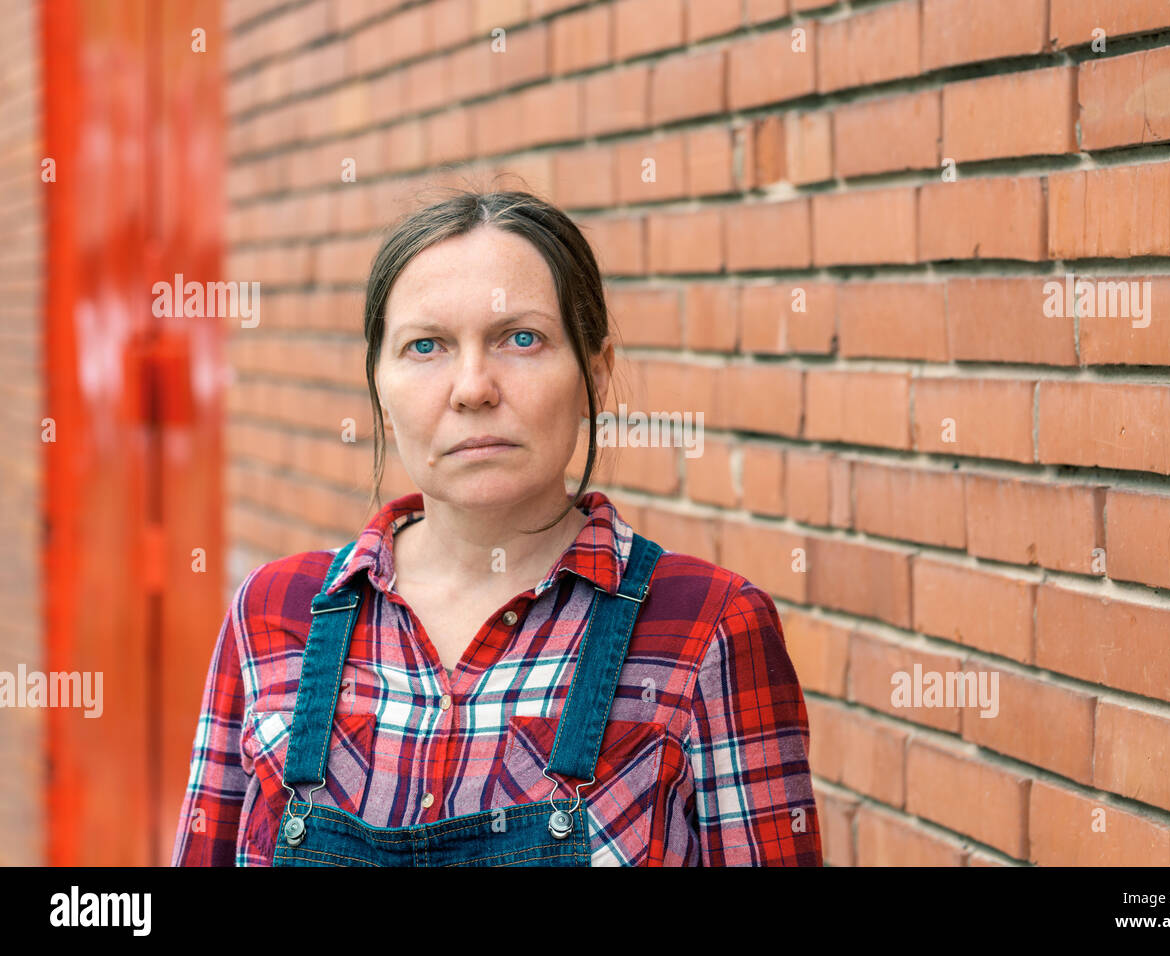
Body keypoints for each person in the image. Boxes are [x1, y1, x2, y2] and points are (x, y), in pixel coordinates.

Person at [170, 187, 822, 866]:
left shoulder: (708, 629)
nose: (473, 387)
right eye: (427, 346)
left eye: (521, 339)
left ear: (593, 376)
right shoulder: (276, 613)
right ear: (380, 390)